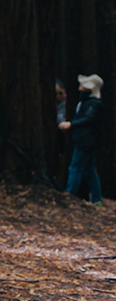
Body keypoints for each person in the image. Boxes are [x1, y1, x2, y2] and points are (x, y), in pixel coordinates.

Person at [59, 73, 102, 205]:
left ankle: (70, 196)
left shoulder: (94, 104)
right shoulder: (85, 102)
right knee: (89, 169)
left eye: (84, 86)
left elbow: (88, 119)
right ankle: (96, 199)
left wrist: (71, 125)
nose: (80, 88)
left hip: (86, 141)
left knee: (75, 168)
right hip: (85, 140)